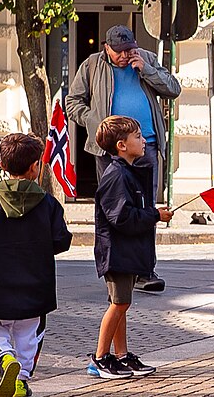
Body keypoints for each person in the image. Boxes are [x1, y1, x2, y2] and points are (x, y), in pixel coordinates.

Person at [0, 133, 72, 397]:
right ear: (35, 167)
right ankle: (21, 382)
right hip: (36, 286)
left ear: (2, 165)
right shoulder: (48, 204)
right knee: (29, 336)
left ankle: (5, 358)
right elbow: (61, 240)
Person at [66, 26, 179, 292]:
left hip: (146, 145)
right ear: (107, 47)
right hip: (109, 150)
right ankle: (114, 268)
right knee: (115, 210)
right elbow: (73, 102)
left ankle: (145, 270)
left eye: (129, 49)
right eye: (119, 51)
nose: (125, 55)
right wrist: (95, 122)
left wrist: (147, 70)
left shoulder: (147, 59)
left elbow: (173, 89)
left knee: (146, 209)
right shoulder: (93, 65)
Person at [89, 115, 170, 380]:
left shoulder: (130, 172)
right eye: (137, 136)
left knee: (121, 303)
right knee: (119, 304)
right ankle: (100, 358)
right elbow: (121, 217)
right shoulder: (116, 176)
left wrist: (152, 212)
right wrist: (154, 216)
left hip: (127, 251)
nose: (144, 140)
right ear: (121, 145)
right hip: (116, 252)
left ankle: (122, 356)